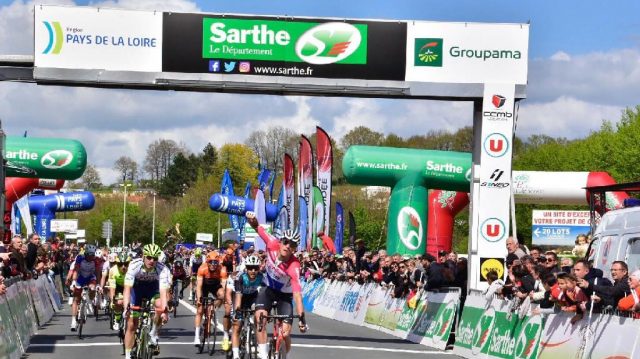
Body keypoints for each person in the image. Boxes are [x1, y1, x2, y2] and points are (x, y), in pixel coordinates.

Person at [246, 211, 307, 359]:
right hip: (268, 289)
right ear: (281, 241)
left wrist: (302, 319)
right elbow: (257, 227)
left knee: (285, 333)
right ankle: (263, 351)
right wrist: (252, 219)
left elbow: (297, 294)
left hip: (284, 296)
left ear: (294, 249)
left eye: (292, 245)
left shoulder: (294, 266)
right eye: (285, 242)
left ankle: (283, 353)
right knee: (260, 318)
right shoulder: (272, 243)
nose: (287, 246)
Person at [122, 244, 171, 358]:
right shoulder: (134, 265)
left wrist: (164, 310)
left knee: (160, 306)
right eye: (149, 257)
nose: (151, 260)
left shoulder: (163, 269)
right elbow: (127, 289)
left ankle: (153, 333)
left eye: (155, 258)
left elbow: (163, 292)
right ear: (143, 256)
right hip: (136, 290)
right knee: (131, 324)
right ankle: (128, 355)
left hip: (152, 289)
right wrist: (126, 307)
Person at [230, 255, 264, 359]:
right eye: (250, 268)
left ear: (259, 268)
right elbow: (238, 296)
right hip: (241, 298)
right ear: (246, 268)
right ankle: (235, 354)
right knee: (237, 326)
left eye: (256, 268)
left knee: (258, 314)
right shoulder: (241, 277)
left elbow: (264, 295)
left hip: (253, 298)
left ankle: (253, 333)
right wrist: (237, 311)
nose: (253, 271)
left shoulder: (261, 277)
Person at [193, 251, 229, 348]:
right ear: (207, 262)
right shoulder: (202, 268)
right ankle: (196, 336)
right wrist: (199, 299)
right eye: (211, 262)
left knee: (223, 294)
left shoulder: (222, 269)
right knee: (199, 310)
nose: (213, 265)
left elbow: (224, 287)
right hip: (204, 286)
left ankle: (213, 308)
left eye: (215, 262)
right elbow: (199, 286)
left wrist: (220, 299)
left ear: (218, 262)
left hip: (215, 286)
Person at [68, 244, 103, 331]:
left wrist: (98, 284)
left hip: (90, 277)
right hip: (80, 277)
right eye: (90, 254)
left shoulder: (96, 260)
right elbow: (76, 270)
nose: (92, 256)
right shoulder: (80, 258)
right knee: (76, 298)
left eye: (93, 254)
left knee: (92, 288)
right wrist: (73, 282)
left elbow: (98, 273)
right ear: (86, 253)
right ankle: (73, 321)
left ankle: (90, 300)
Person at [108, 252, 131, 331]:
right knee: (119, 302)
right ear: (117, 264)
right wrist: (112, 300)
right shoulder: (112, 270)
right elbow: (112, 288)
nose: (123, 267)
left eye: (126, 264)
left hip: (130, 286)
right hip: (118, 287)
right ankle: (117, 319)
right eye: (120, 264)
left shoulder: (133, 269)